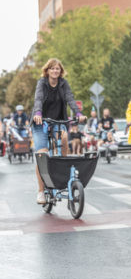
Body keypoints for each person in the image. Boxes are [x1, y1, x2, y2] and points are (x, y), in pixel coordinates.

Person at [32, 58, 86, 204]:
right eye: (52, 68)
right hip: (40, 122)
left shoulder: (63, 84)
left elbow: (70, 99)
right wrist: (37, 113)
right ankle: (41, 191)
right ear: (47, 70)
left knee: (63, 139)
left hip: (58, 121)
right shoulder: (42, 83)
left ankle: (61, 174)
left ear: (60, 71)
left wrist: (78, 113)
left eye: (57, 69)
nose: (55, 71)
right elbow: (38, 98)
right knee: (42, 154)